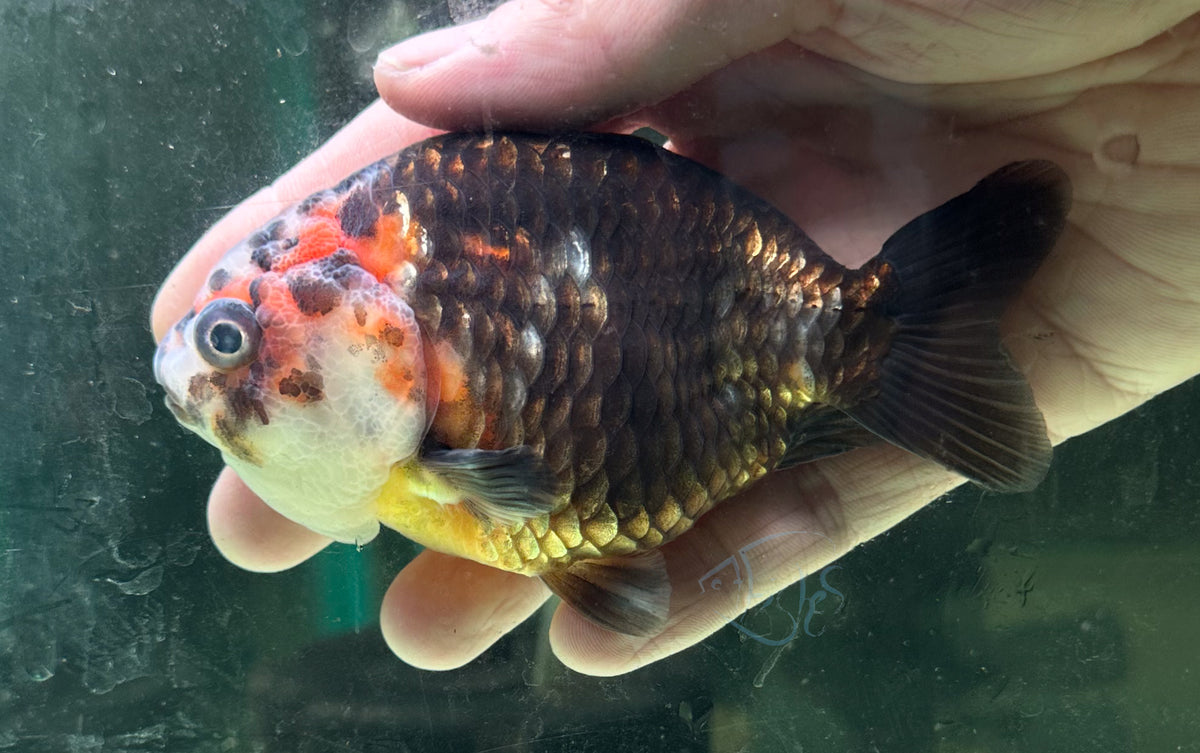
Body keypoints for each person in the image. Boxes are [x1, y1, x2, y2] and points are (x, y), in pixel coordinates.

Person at [151, 0, 1200, 676]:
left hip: (682, 373)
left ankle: (875, 340)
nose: (217, 374)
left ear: (366, 318)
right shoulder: (417, 450)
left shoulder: (426, 435)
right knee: (601, 599)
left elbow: (516, 504)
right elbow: (583, 550)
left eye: (236, 341)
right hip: (637, 458)